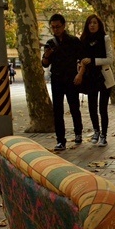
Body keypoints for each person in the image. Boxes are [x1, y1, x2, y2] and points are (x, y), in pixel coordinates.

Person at [42, 13, 83, 152]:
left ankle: (78, 133)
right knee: (57, 110)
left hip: (71, 78)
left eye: (58, 26)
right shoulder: (49, 43)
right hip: (56, 79)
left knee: (74, 107)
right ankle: (60, 140)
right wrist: (46, 56)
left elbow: (81, 59)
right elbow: (45, 64)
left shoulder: (73, 41)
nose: (56, 29)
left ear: (64, 26)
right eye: (53, 27)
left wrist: (80, 75)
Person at [74, 14, 115, 147]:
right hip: (89, 77)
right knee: (92, 107)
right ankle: (96, 131)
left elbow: (110, 59)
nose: (92, 25)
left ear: (99, 25)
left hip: (103, 77)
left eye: (95, 23)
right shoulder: (83, 40)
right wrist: (80, 64)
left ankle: (104, 135)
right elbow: (80, 58)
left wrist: (93, 61)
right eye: (90, 23)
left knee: (103, 108)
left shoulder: (105, 38)